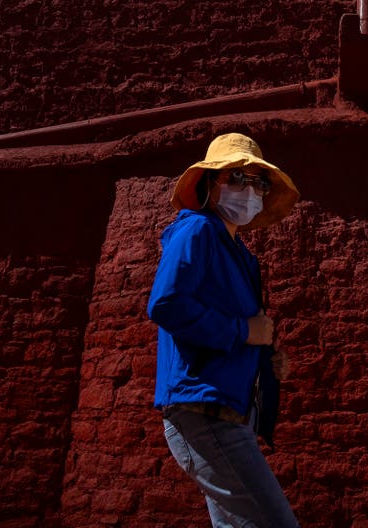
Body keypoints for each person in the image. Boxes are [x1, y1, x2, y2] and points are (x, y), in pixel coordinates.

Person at [148, 132, 301, 528]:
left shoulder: (243, 258)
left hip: (230, 415)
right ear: (209, 185)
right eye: (236, 177)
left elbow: (242, 332)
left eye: (258, 182)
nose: (249, 190)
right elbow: (167, 303)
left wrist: (266, 359)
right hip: (203, 411)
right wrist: (243, 332)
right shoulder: (197, 230)